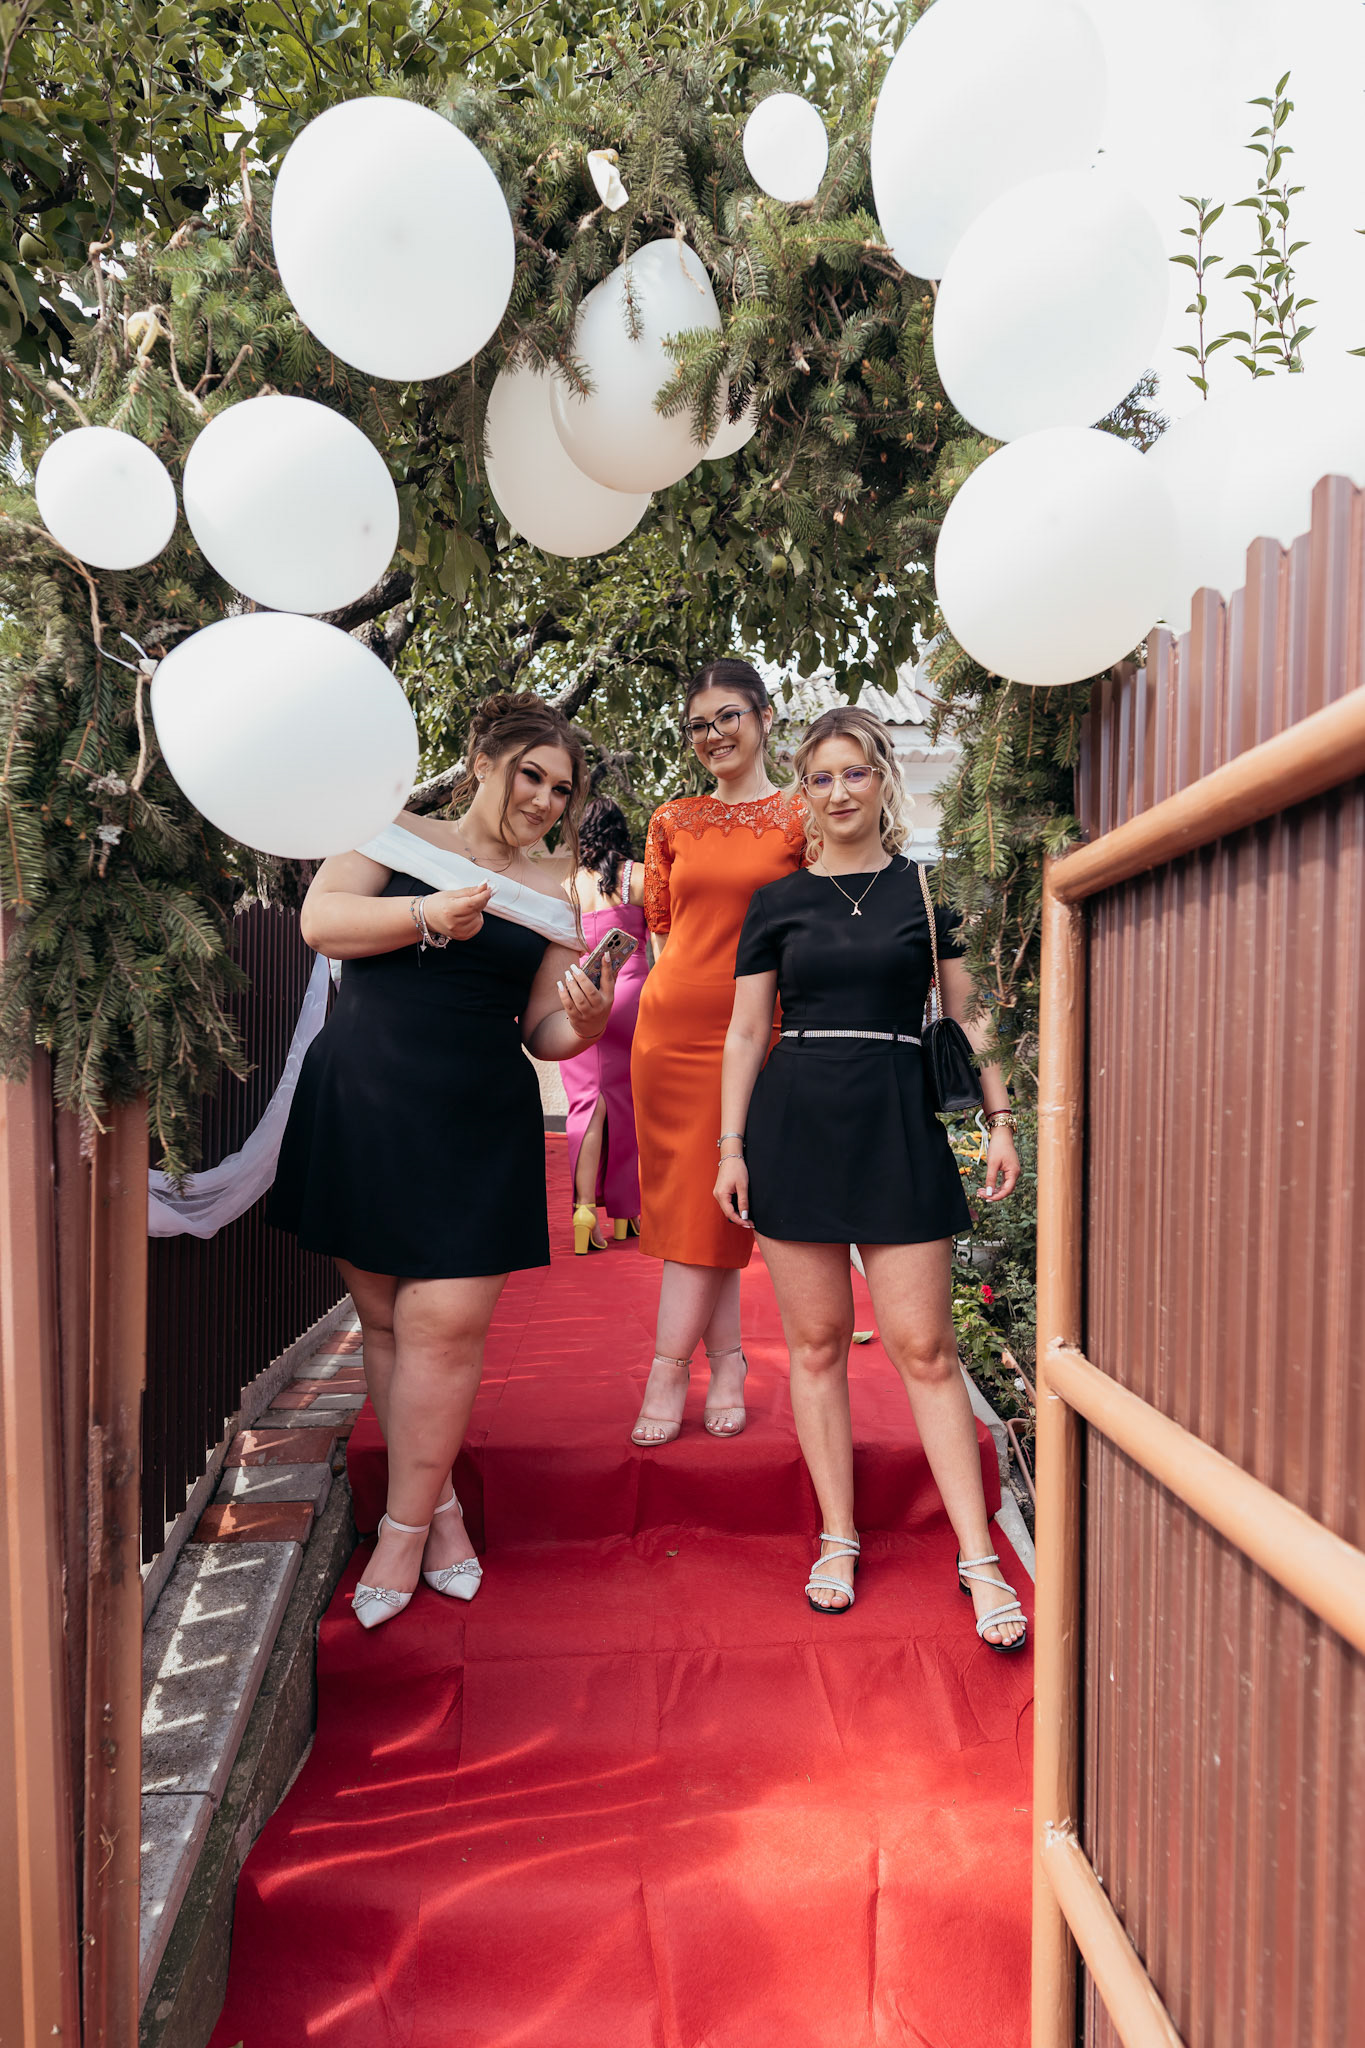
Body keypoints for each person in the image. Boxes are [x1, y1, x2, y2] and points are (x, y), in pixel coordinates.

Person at [268, 692, 617, 1631]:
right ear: (483, 763)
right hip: (366, 1101)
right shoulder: (391, 833)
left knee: (446, 1330)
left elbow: (541, 1030)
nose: (544, 800)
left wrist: (582, 1022)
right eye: (530, 775)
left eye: (562, 789)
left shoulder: (550, 894)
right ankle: (443, 1510)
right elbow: (322, 923)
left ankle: (400, 1531)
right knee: (385, 1323)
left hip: (475, 1119)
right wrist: (425, 913)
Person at [713, 704, 1027, 1650]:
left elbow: (970, 1019)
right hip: (795, 1121)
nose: (838, 791)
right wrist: (731, 1147)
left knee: (925, 1350)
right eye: (820, 777)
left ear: (882, 778)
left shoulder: (927, 893)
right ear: (802, 792)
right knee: (813, 1349)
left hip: (896, 1122)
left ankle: (978, 1555)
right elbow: (745, 1032)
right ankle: (838, 1538)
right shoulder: (774, 903)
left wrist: (999, 1120)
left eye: (854, 772)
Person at [628, 658, 805, 1444]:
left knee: (715, 1206)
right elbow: (665, 937)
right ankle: (726, 1362)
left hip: (754, 1034)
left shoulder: (803, 812)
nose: (712, 735)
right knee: (700, 1212)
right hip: (668, 1031)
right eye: (698, 724)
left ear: (764, 716)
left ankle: (668, 1370)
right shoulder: (671, 819)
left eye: (727, 716)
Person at [561, 796, 649, 1252]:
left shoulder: (567, 886)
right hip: (632, 996)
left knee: (586, 1103)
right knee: (625, 1102)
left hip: (581, 998)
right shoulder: (639, 876)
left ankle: (583, 1211)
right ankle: (626, 1212)